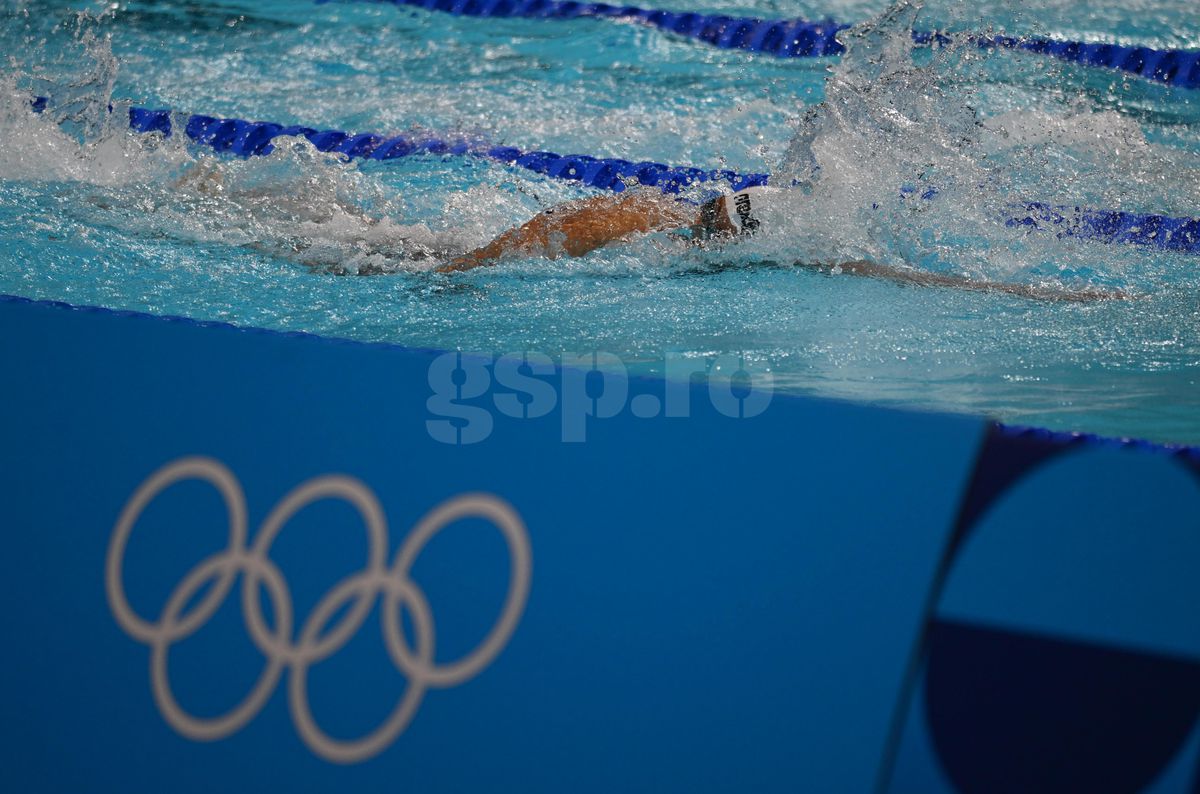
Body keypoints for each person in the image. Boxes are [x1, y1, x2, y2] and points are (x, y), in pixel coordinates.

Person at [437, 186, 1123, 302]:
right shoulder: (629, 221)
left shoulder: (754, 244)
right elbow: (528, 241)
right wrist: (450, 272)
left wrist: (1032, 294)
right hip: (455, 247)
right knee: (388, 256)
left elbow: (874, 271)